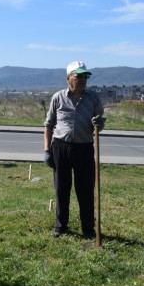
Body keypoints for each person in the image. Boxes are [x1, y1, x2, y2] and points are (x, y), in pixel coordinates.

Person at [43, 61, 105, 238]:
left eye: (85, 76)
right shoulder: (58, 98)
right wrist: (47, 150)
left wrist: (99, 125)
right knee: (61, 189)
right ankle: (61, 226)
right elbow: (48, 125)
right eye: (79, 76)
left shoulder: (93, 98)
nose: (83, 80)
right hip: (61, 147)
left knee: (85, 190)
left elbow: (99, 125)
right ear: (68, 78)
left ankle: (88, 229)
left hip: (84, 148)